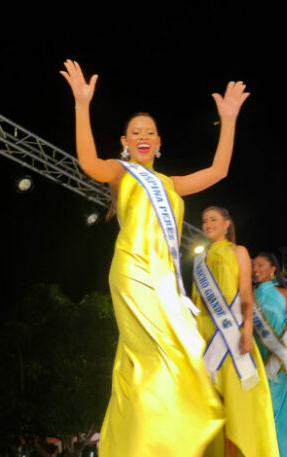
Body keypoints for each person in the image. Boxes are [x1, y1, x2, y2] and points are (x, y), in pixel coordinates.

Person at [59, 60, 250, 456]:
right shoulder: (121, 172)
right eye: (135, 133)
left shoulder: (171, 184)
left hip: (166, 278)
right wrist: (82, 105)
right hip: (132, 271)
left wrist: (228, 119)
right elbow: (88, 164)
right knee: (149, 356)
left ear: (159, 142)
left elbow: (219, 170)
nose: (143, 137)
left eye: (150, 132)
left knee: (185, 355)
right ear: (125, 142)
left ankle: (156, 441)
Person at [192, 206, 279, 457]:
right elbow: (198, 301)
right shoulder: (199, 260)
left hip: (233, 335)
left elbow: (245, 293)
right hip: (206, 336)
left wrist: (248, 328)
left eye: (213, 219)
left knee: (236, 408)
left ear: (227, 223)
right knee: (212, 406)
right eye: (204, 220)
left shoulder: (239, 251)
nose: (208, 223)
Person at [252, 251, 287, 457]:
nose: (255, 270)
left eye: (260, 265)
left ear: (272, 269)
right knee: (265, 413)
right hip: (262, 363)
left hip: (284, 365)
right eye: (254, 266)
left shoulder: (283, 294)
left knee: (285, 416)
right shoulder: (250, 295)